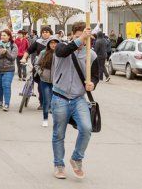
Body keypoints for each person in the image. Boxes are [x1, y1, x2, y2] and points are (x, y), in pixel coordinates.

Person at [51, 22, 99, 180]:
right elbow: (62, 52)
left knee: (86, 128)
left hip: (79, 99)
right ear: (72, 35)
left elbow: (95, 76)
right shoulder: (62, 47)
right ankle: (59, 165)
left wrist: (92, 84)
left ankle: (77, 158)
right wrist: (81, 38)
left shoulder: (91, 55)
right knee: (59, 133)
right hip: (60, 97)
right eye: (78, 36)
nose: (82, 40)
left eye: (85, 38)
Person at [36, 35, 59, 127]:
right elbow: (37, 64)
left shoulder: (60, 53)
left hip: (56, 81)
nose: (53, 45)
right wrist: (41, 73)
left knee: (56, 101)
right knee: (46, 100)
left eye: (55, 43)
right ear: (48, 44)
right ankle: (45, 118)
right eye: (51, 43)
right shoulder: (43, 52)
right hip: (44, 80)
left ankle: (56, 120)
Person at [0, 30, 18, 111]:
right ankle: (0, 101)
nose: (2, 37)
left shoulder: (13, 45)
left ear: (9, 36)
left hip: (9, 69)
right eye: (2, 35)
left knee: (6, 86)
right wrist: (1, 53)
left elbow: (12, 57)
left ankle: (6, 104)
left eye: (4, 35)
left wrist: (6, 52)